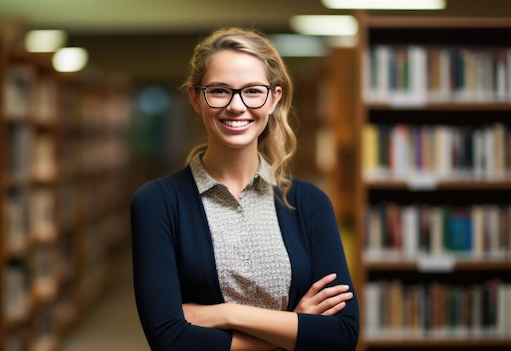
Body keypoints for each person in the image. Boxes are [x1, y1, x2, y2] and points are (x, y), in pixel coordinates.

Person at [130, 26, 359, 351]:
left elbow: (341, 334)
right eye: (220, 91)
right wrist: (293, 326)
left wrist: (226, 314)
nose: (237, 106)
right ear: (196, 98)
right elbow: (170, 339)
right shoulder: (157, 202)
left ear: (274, 98)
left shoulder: (309, 203)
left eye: (253, 91)